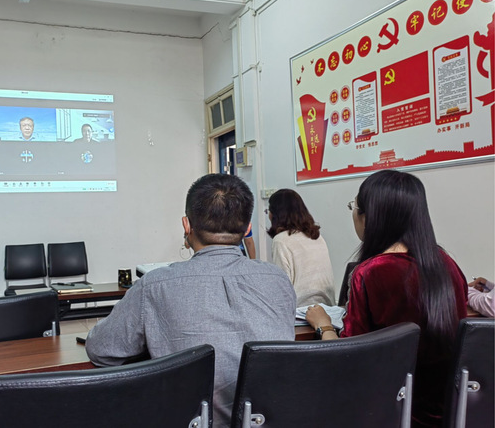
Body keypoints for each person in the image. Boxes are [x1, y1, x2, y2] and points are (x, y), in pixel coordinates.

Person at [85, 173, 296, 428]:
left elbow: (101, 350)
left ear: (187, 225)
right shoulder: (277, 279)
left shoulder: (155, 285)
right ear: (247, 227)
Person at [305, 169, 467, 428]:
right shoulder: (447, 264)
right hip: (451, 413)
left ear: (369, 217)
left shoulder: (370, 273)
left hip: (390, 413)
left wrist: (323, 325)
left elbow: (347, 359)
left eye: (354, 207)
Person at [266, 189, 335, 306]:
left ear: (275, 215)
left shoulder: (281, 240)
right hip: (328, 309)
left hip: (301, 311)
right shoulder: (317, 236)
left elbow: (282, 289)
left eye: (269, 211)